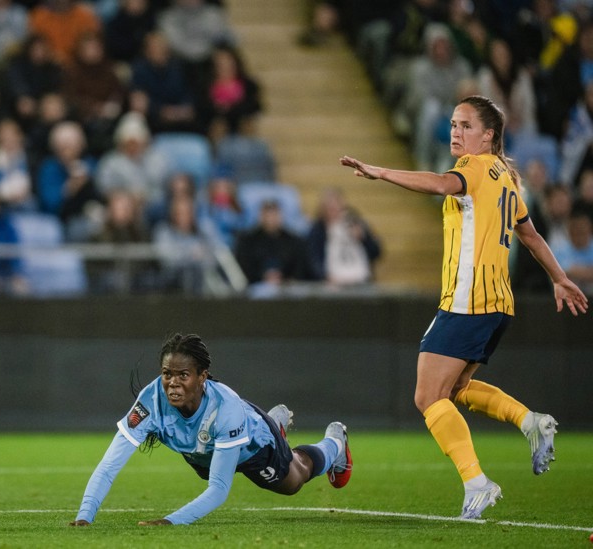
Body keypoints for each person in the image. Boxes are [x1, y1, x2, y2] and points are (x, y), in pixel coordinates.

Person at [339, 94, 589, 519]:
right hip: (497, 303)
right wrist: (559, 277)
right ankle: (531, 422)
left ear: (488, 135)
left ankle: (477, 482)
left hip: (469, 299)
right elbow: (530, 235)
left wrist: (379, 171)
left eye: (466, 126)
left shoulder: (472, 169)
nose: (456, 132)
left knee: (427, 396)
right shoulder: (507, 178)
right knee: (452, 390)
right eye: (453, 125)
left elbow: (440, 184)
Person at [69, 332, 352, 527]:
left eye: (184, 375)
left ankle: (334, 443)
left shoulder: (225, 408)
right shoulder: (150, 401)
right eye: (167, 373)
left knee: (294, 480)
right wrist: (85, 516)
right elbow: (109, 466)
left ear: (202, 377)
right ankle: (275, 423)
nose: (173, 383)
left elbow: (219, 489)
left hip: (252, 447)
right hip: (205, 453)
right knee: (211, 464)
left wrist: (170, 521)